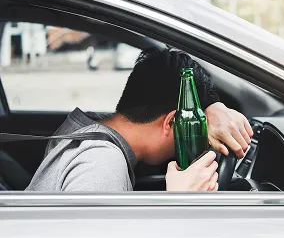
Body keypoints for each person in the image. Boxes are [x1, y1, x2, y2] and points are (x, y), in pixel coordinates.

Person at [26, 48, 253, 192]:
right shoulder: (102, 165)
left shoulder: (84, 128)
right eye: (194, 130)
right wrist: (178, 204)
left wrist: (212, 107)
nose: (197, 141)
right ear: (171, 123)